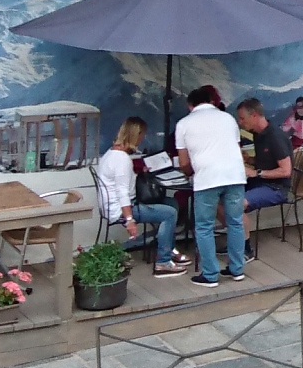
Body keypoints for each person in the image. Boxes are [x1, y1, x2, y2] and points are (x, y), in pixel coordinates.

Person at [170, 85, 248, 286]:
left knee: (204, 227)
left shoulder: (184, 124)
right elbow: (236, 148)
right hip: (235, 176)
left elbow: (184, 162)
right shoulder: (228, 119)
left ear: (190, 105)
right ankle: (237, 269)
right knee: (235, 222)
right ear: (212, 101)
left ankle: (210, 274)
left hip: (207, 179)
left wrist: (189, 172)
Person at [94, 119, 181, 274]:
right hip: (121, 210)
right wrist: (129, 220)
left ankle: (169, 248)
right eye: (142, 135)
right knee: (170, 214)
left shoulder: (111, 153)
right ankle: (163, 262)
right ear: (136, 135)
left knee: (171, 203)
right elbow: (122, 192)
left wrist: (140, 172)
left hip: (116, 205)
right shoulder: (121, 159)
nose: (142, 139)